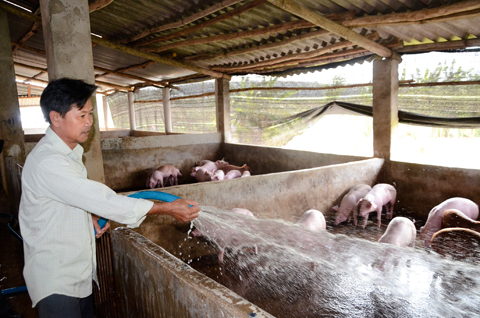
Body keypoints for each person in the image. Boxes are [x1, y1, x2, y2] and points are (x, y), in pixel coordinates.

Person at [18, 78, 200, 318]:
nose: (89, 122)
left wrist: (87, 216)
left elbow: (71, 198)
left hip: (76, 273)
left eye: (90, 114)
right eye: (81, 115)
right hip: (57, 278)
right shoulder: (49, 162)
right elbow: (102, 199)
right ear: (56, 117)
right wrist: (167, 208)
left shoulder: (67, 154)